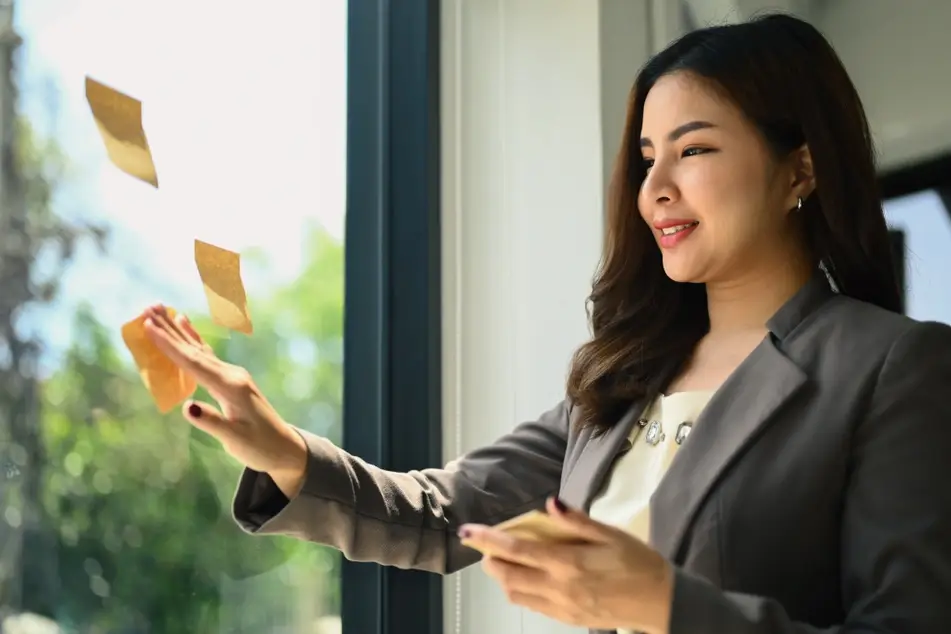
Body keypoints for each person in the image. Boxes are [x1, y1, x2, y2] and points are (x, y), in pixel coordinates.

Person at [140, 12, 951, 634]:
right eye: (645, 158)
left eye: (693, 150)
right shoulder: (627, 378)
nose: (654, 188)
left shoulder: (893, 368)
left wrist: (670, 606)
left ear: (799, 168)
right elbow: (440, 514)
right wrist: (282, 449)